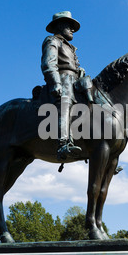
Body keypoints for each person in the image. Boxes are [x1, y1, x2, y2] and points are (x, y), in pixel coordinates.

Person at [41, 11, 86, 160]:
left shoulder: (70, 47)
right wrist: (55, 83)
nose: (72, 29)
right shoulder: (52, 40)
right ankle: (63, 143)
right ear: (60, 26)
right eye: (69, 26)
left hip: (74, 81)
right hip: (62, 81)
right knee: (64, 102)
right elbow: (49, 63)